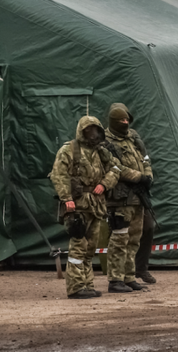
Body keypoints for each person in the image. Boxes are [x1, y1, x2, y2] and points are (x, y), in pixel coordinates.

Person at [50, 116, 122, 299]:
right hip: (77, 206)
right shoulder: (69, 149)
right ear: (82, 130)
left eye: (96, 130)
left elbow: (116, 168)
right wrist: (67, 198)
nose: (93, 134)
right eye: (89, 130)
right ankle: (75, 287)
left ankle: (87, 284)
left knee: (90, 248)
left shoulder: (101, 152)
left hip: (96, 206)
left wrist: (105, 184)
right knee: (78, 246)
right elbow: (58, 174)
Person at [103, 103, 152, 293]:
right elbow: (115, 167)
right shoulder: (106, 142)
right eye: (121, 121)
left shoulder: (133, 138)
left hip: (138, 197)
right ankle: (115, 279)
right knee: (119, 239)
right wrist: (139, 177)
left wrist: (148, 176)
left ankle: (129, 276)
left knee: (134, 239)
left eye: (127, 120)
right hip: (120, 198)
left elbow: (145, 159)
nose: (125, 123)